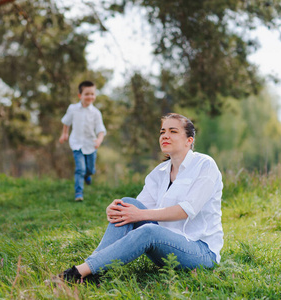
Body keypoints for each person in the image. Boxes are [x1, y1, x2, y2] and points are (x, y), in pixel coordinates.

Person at [57, 113, 223, 283]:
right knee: (126, 204)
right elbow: (134, 211)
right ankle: (94, 271)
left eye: (173, 131)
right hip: (165, 249)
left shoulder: (205, 164)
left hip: (200, 252)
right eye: (162, 131)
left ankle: (77, 273)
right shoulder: (158, 173)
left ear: (189, 140)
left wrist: (139, 215)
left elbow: (185, 211)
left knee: (148, 230)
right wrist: (116, 210)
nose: (165, 135)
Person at [59, 80, 107, 202]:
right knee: (80, 169)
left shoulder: (96, 113)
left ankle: (87, 175)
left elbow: (101, 129)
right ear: (80, 95)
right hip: (77, 144)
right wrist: (64, 134)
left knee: (90, 169)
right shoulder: (73, 109)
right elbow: (66, 122)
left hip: (91, 145)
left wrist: (99, 140)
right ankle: (78, 193)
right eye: (87, 94)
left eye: (92, 94)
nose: (90, 96)